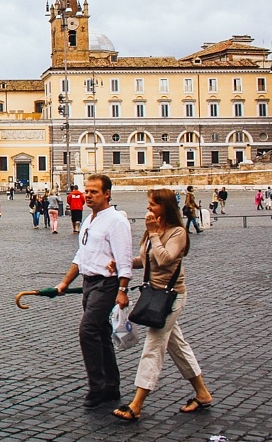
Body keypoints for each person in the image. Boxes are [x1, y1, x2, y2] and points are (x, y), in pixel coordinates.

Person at [112, 188, 213, 421]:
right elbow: (147, 260)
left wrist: (154, 234)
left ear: (165, 207)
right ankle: (202, 393)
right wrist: (120, 264)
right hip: (154, 294)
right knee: (177, 346)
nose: (148, 208)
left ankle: (137, 404)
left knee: (154, 345)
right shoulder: (153, 232)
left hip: (171, 297)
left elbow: (165, 259)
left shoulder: (177, 232)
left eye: (152, 205)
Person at [55, 174, 133, 408]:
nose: (88, 195)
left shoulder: (117, 221)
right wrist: (65, 282)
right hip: (89, 283)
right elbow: (82, 255)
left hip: (107, 284)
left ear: (107, 193)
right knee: (100, 334)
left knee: (87, 330)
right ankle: (111, 386)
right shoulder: (89, 220)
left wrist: (122, 289)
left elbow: (124, 259)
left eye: (94, 192)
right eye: (86, 191)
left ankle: (97, 387)